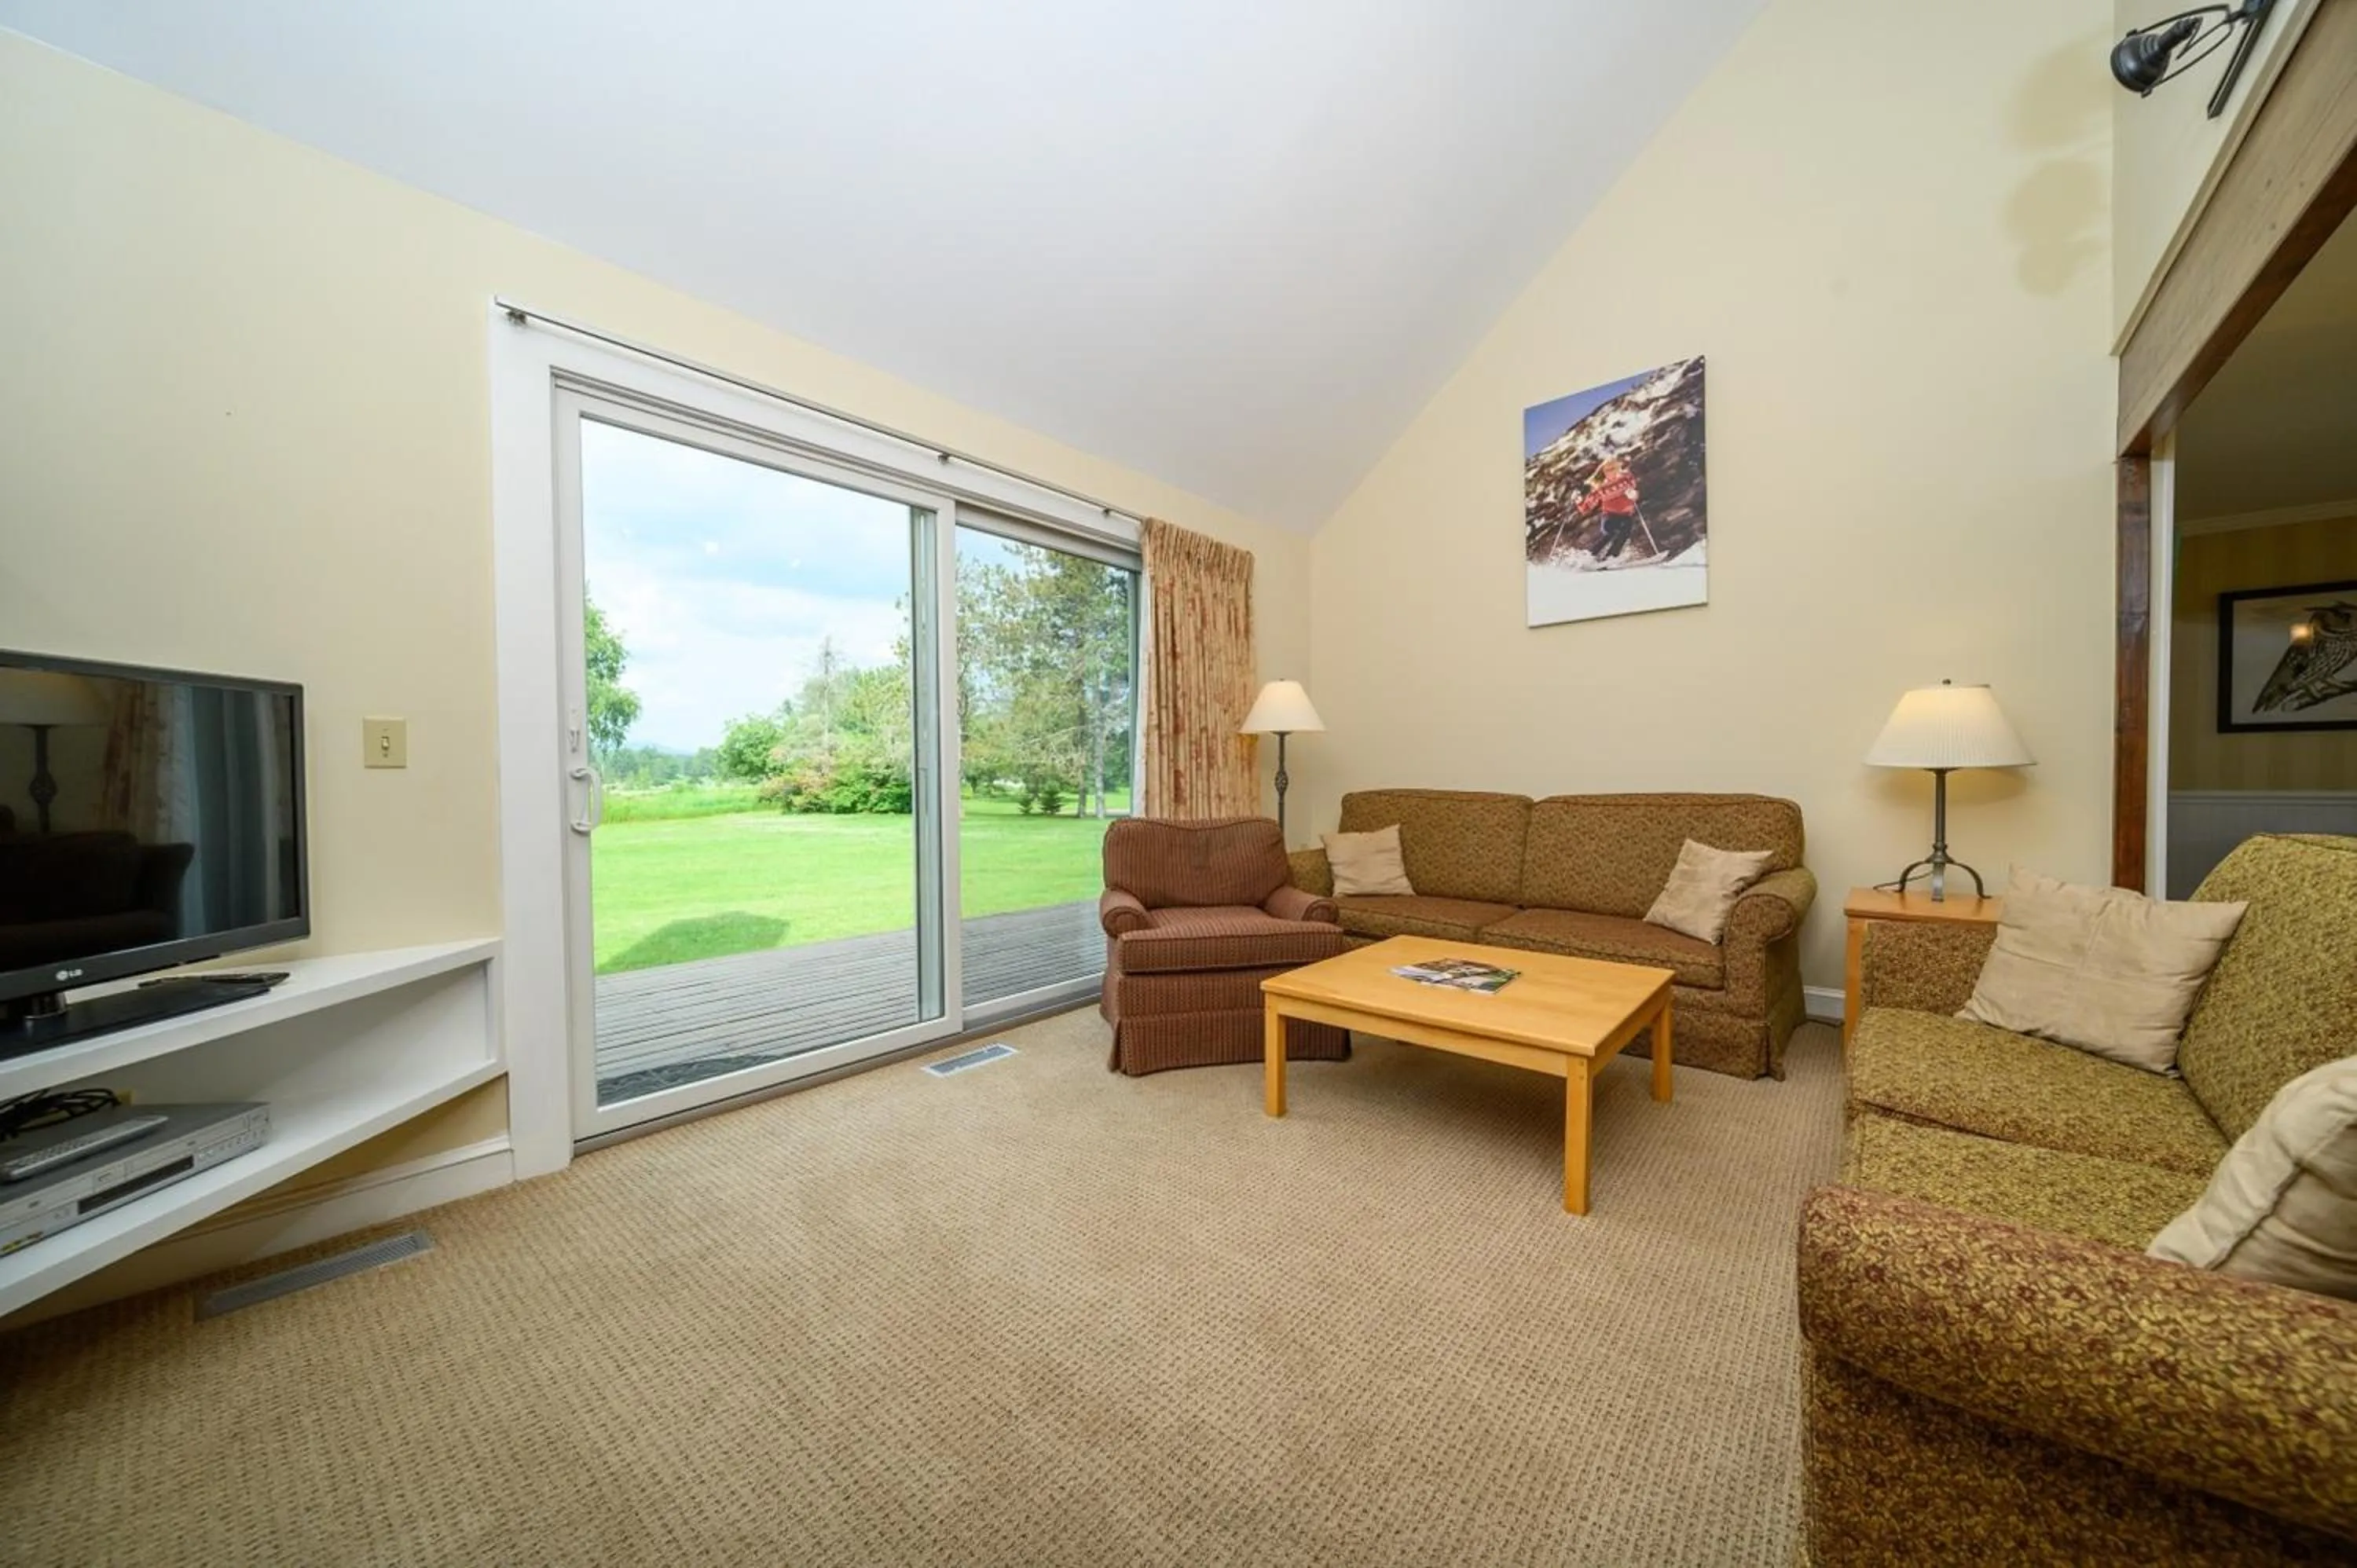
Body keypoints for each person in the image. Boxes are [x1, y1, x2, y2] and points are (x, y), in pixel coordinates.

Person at [1574, 452, 1649, 561]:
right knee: (1610, 534)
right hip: (1610, 516)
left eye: (1613, 469)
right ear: (1603, 472)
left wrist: (1633, 495)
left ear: (1618, 468)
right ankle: (1590, 556)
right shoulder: (1601, 487)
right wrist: (1579, 502)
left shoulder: (1625, 479)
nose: (1611, 472)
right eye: (1608, 470)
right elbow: (1587, 506)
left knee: (1624, 534)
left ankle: (1611, 557)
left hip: (1626, 515)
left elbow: (1634, 489)